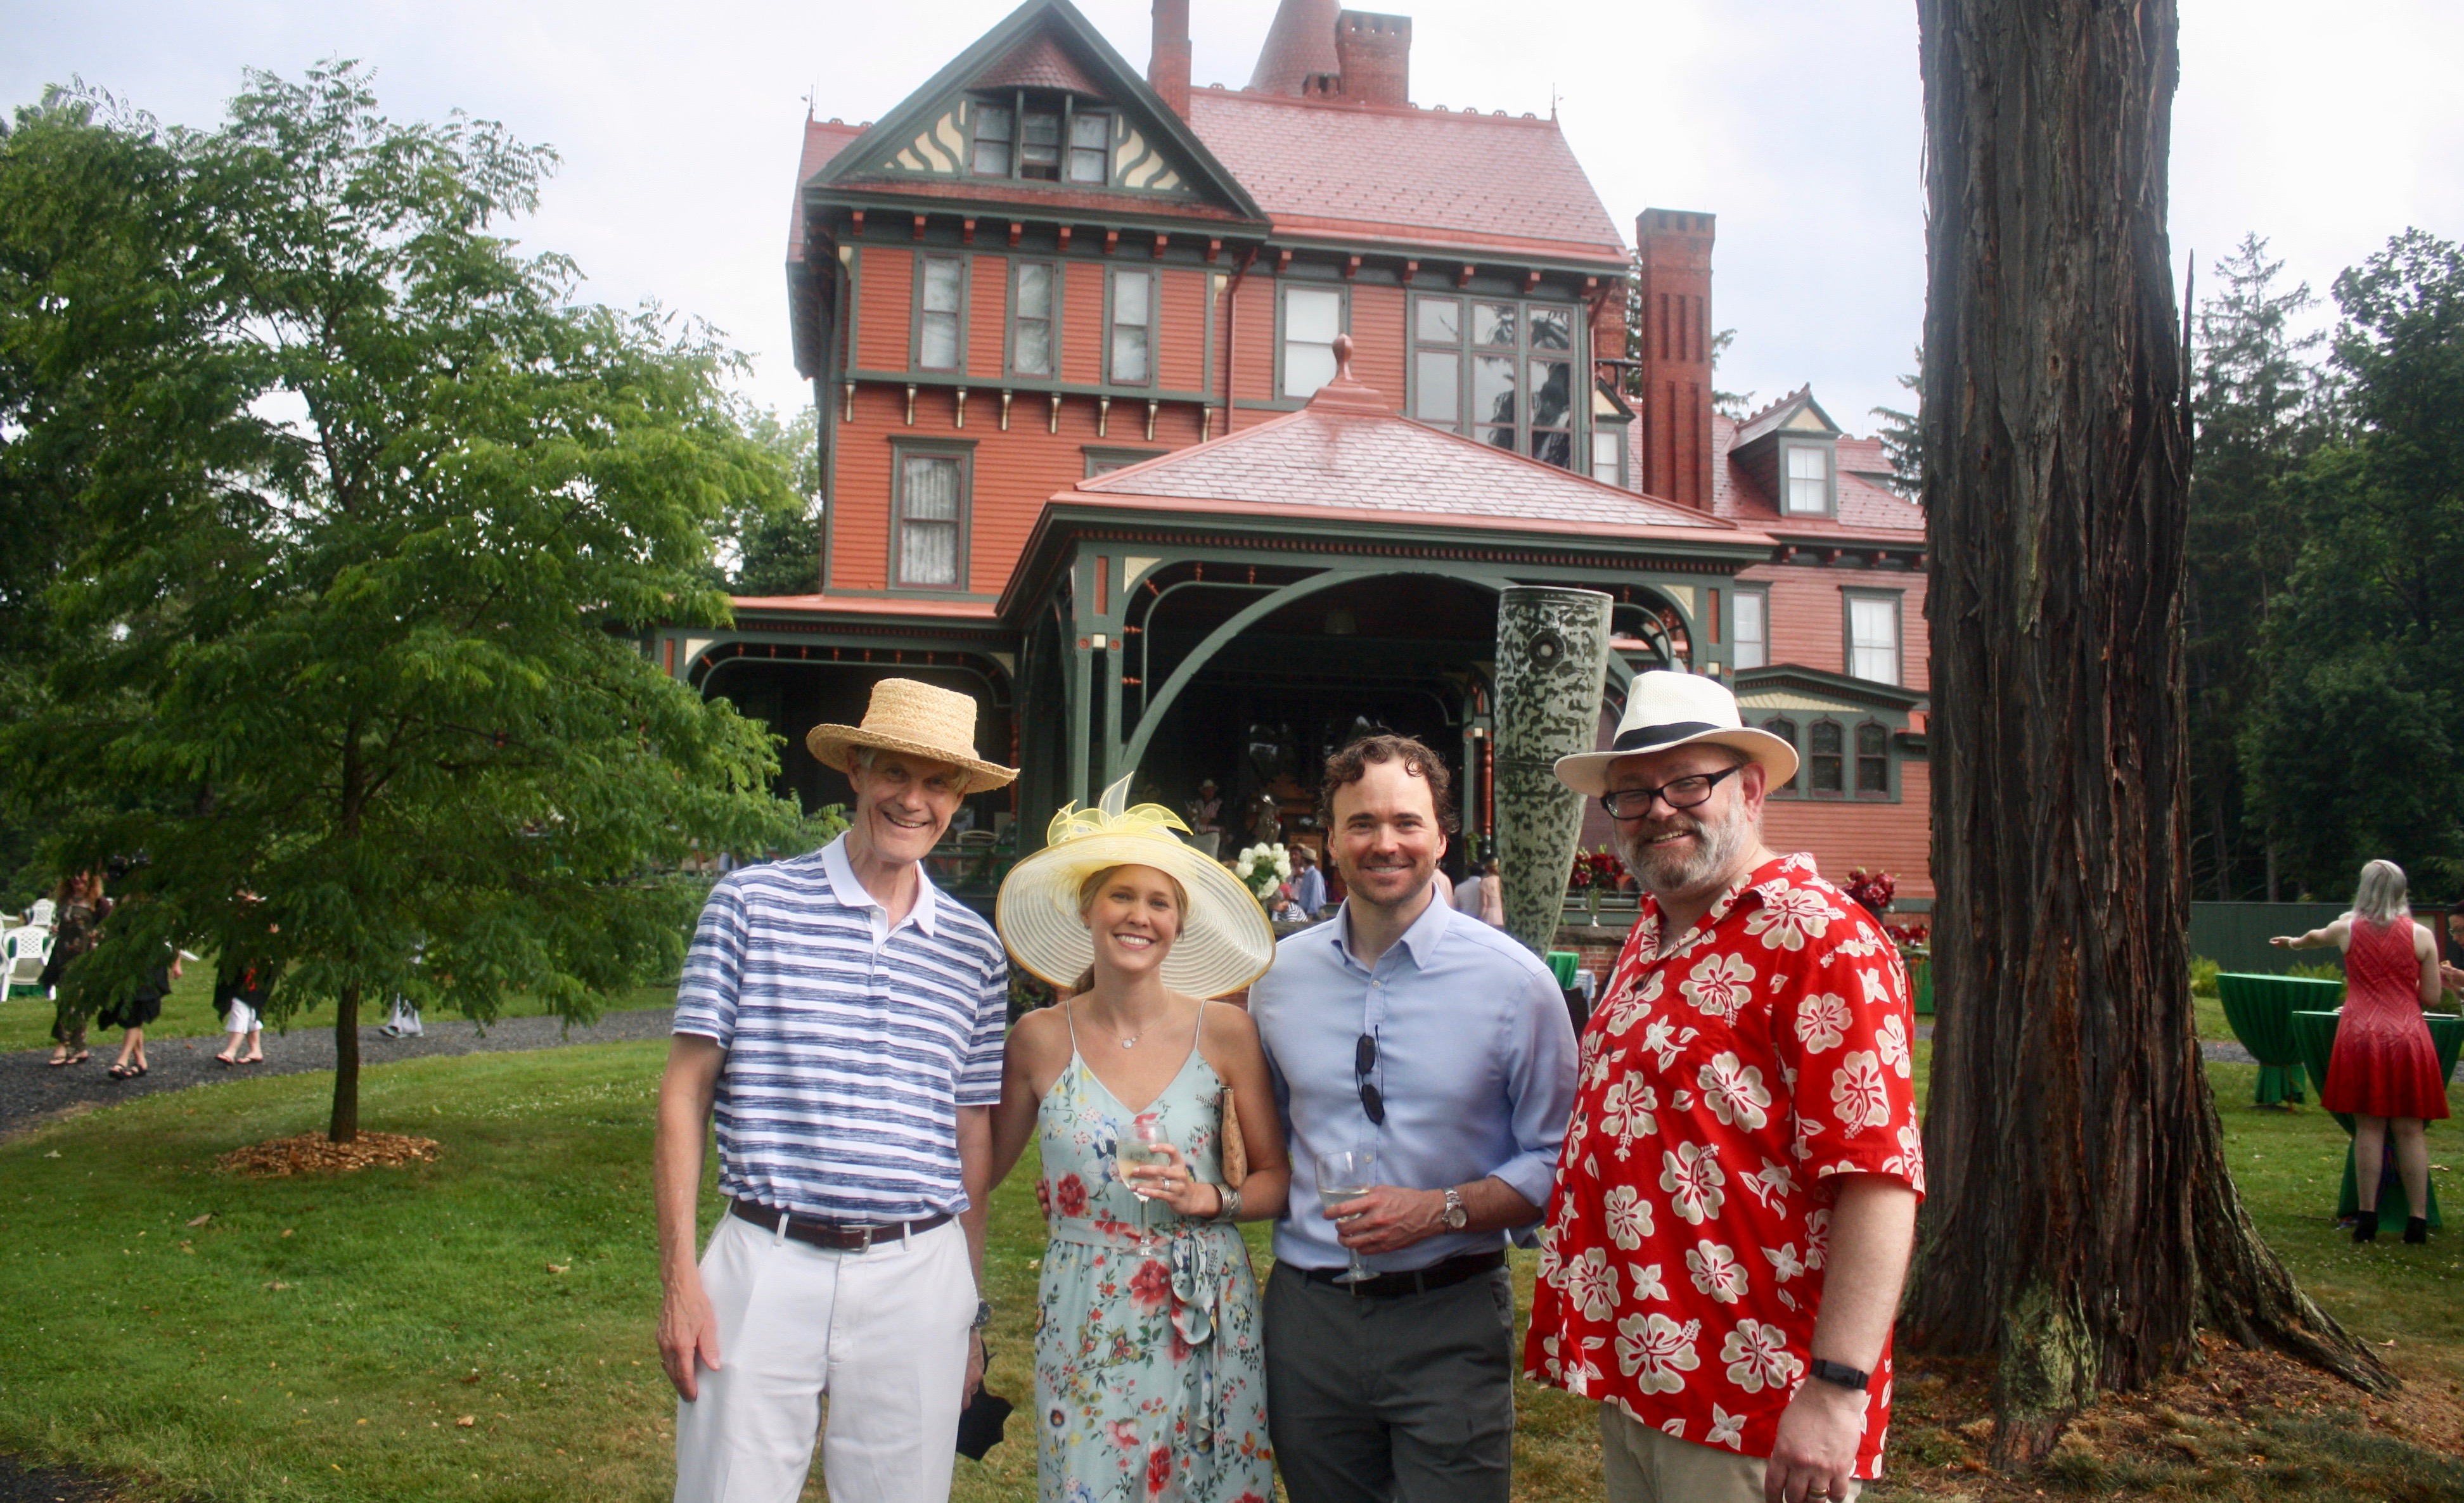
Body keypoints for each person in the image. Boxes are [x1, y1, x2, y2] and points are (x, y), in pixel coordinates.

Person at [1525, 670, 1923, 1503]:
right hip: (1648, 1379)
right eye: (1634, 794)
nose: (1659, 809)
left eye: (1686, 783)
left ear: (1749, 787)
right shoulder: (1653, 932)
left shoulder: (1819, 937)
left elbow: (1879, 1177)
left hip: (1762, 1401)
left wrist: (1836, 1389)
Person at [656, 679, 1016, 1503]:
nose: (913, 800)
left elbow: (972, 1137)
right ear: (856, 770)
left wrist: (966, 1305)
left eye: (937, 783)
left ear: (959, 797)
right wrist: (680, 1282)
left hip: (918, 1272)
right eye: (895, 772)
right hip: (763, 1261)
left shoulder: (974, 951)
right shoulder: (749, 904)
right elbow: (684, 1094)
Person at [1247, 734, 1579, 1503]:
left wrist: (1439, 1209)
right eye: (1360, 823)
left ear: (1441, 836)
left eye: (1406, 821)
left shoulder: (1515, 983)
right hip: (1310, 1318)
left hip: (1449, 1316)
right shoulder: (1277, 977)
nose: (1384, 841)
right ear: (1328, 840)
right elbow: (1261, 1138)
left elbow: (1561, 1156)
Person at [989, 776, 1288, 1503]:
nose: (1139, 916)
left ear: (1179, 923)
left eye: (1160, 902)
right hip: (1086, 1307)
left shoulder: (1226, 1032)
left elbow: (1278, 1177)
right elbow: (979, 1169)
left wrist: (1209, 1196)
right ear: (1087, 907)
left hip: (1207, 1302)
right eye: (1122, 895)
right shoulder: (1035, 1040)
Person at [2272, 859, 2449, 1244]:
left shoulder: (2346, 929)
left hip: (2360, 1033)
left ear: (2363, 889)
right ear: (2402, 892)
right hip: (2407, 1035)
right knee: (2410, 1131)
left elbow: (2315, 936)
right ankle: (2416, 1222)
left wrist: (2293, 943)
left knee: (2368, 1128)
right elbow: (2432, 998)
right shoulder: (2421, 936)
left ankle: (2367, 1217)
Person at [39, 871, 105, 1067]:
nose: (77, 880)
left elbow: (106, 926)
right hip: (62, 955)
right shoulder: (65, 900)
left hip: (84, 957)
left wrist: (97, 936)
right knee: (64, 999)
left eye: (82, 876)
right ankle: (79, 1047)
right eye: (74, 876)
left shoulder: (98, 903)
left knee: (75, 1001)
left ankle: (64, 1044)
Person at [104, 949, 180, 1081]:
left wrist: (176, 963)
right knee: (128, 1010)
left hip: (150, 964)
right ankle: (140, 1061)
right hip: (126, 962)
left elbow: (176, 936)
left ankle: (122, 1061)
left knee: (136, 1009)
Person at [1292, 843, 1328, 920]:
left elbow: (1316, 896)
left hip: (1314, 915)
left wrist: (1310, 916)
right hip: (1305, 913)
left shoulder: (1315, 875)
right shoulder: (1307, 875)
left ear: (1304, 860)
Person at [1477, 858, 1505, 928]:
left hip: (1490, 917)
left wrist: (1480, 918)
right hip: (1502, 916)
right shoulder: (1503, 881)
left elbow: (1484, 904)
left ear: (1488, 869)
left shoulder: (1485, 882)